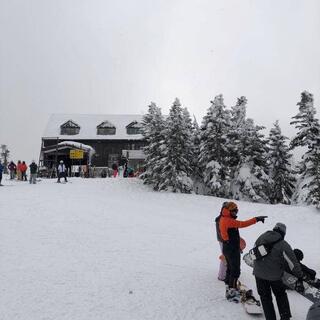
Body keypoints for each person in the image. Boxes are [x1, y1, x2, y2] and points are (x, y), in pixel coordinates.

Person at [253, 223, 304, 320]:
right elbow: (293, 263)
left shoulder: (261, 237)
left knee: (265, 298)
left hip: (258, 274)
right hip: (275, 276)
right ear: (283, 233)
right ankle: (285, 317)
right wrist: (300, 276)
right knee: (280, 295)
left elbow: (254, 252)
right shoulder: (283, 244)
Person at [219, 201, 267, 302]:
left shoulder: (223, 218)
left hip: (228, 248)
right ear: (228, 211)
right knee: (235, 270)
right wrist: (256, 219)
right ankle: (232, 292)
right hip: (232, 249)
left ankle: (229, 287)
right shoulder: (228, 220)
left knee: (230, 269)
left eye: (237, 211)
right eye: (234, 211)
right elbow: (243, 224)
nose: (236, 213)